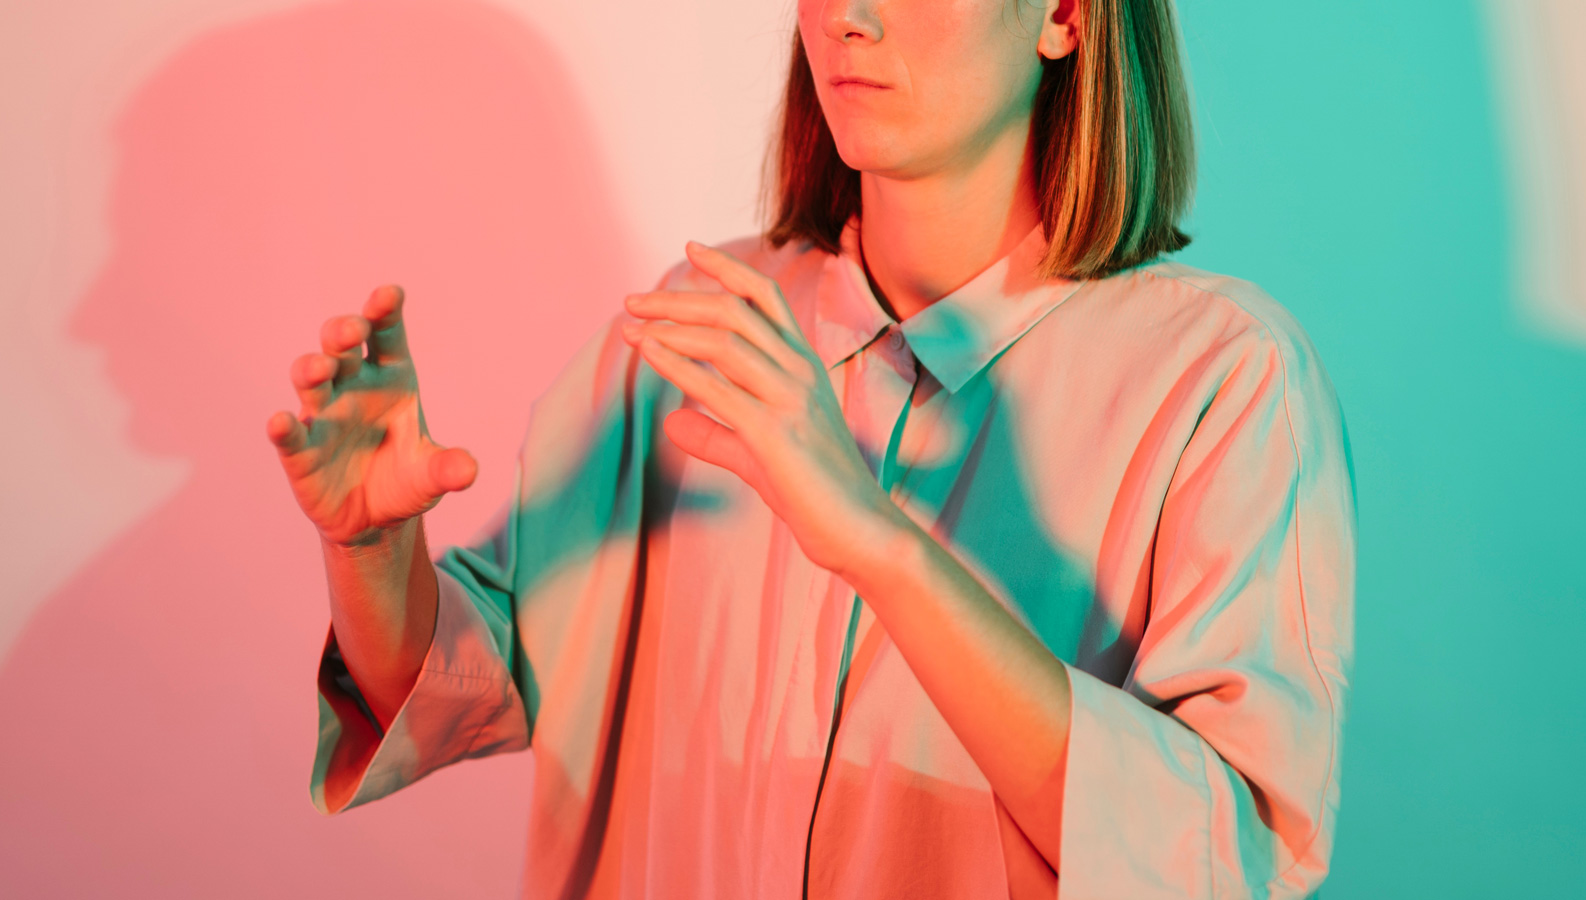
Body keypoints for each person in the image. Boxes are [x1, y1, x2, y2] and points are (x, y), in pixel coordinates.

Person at [266, 0, 1356, 896]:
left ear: (1065, 16)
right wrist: (370, 548)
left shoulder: (1222, 379)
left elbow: (1220, 862)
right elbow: (471, 682)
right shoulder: (697, 327)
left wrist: (879, 542)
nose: (849, 18)